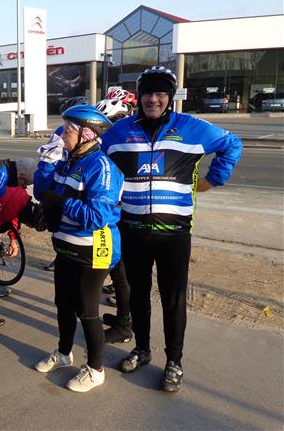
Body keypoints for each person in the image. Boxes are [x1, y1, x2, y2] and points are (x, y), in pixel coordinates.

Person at [100, 66, 242, 392]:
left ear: (170, 97)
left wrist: (212, 180)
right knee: (138, 297)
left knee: (173, 300)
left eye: (161, 93)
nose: (154, 99)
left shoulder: (191, 127)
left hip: (174, 234)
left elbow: (232, 144)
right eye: (148, 93)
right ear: (140, 97)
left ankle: (174, 362)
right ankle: (142, 349)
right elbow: (97, 161)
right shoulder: (120, 132)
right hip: (133, 230)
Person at [33, 104, 123, 393]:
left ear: (86, 134)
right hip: (66, 246)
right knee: (63, 303)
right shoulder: (68, 161)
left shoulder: (102, 167)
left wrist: (61, 203)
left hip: (93, 249)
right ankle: (63, 353)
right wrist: (46, 164)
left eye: (68, 131)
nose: (62, 135)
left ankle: (96, 370)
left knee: (87, 310)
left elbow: (97, 216)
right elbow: (42, 191)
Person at [0, 158, 38, 329]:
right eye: (25, 183)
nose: (24, 187)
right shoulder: (3, 180)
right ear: (21, 176)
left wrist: (13, 239)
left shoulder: (1, 173)